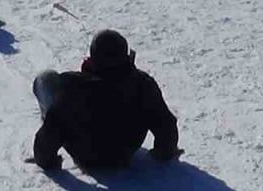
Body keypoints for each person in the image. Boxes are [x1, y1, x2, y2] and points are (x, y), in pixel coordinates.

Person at [30, 30, 179, 173]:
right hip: (123, 154)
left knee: (46, 79)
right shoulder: (142, 84)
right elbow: (166, 123)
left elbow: (53, 127)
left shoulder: (72, 85)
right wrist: (164, 152)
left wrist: (46, 160)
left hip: (85, 156)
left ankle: (46, 115)